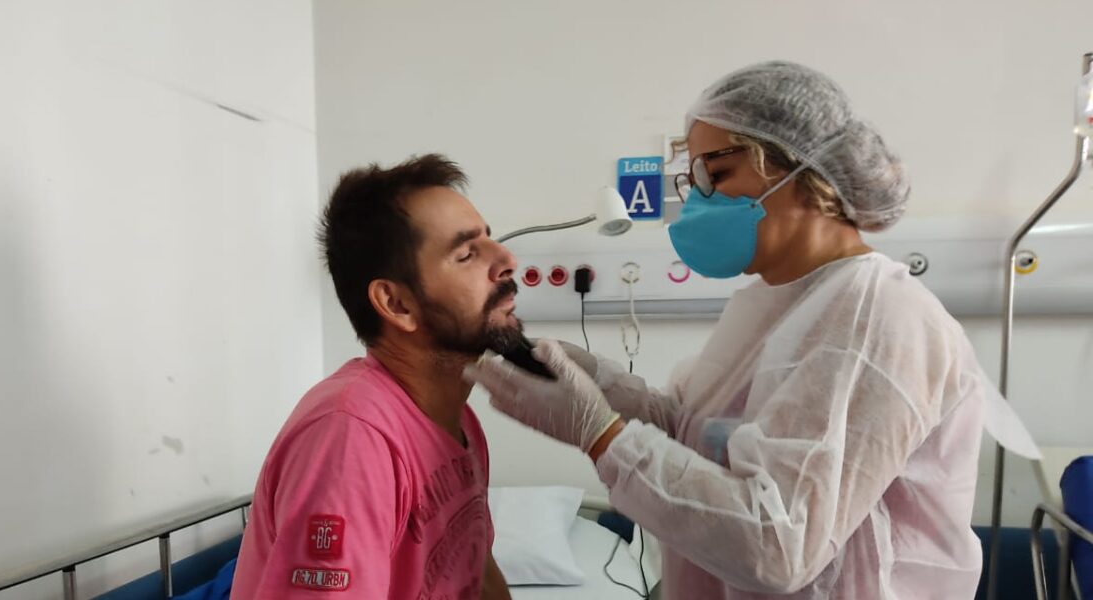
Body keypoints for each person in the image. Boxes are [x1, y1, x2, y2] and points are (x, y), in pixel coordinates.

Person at [463, 61, 1039, 599]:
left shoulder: (877, 314)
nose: (697, 202)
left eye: (717, 173)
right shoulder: (774, 303)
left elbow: (779, 545)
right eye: (693, 181)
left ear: (802, 170)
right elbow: (702, 435)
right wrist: (602, 384)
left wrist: (602, 434)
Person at [233, 154, 515, 599]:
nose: (507, 260)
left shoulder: (461, 424)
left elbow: (477, 567)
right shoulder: (351, 437)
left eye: (490, 240)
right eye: (466, 254)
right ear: (397, 304)